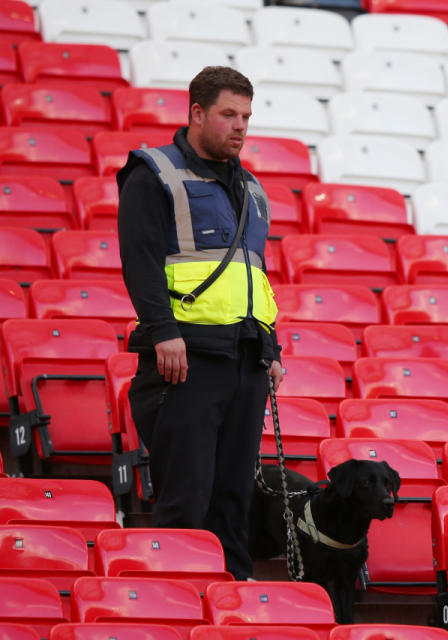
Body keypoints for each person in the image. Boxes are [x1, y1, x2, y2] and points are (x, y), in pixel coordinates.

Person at [118, 66, 283, 580]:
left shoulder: (252, 188)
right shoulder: (154, 174)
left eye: (247, 117)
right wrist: (163, 331)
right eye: (228, 114)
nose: (240, 126)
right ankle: (174, 599)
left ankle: (230, 605)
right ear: (196, 113)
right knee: (186, 497)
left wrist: (271, 348)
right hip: (184, 361)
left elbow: (253, 275)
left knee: (234, 499)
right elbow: (140, 260)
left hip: (245, 361)